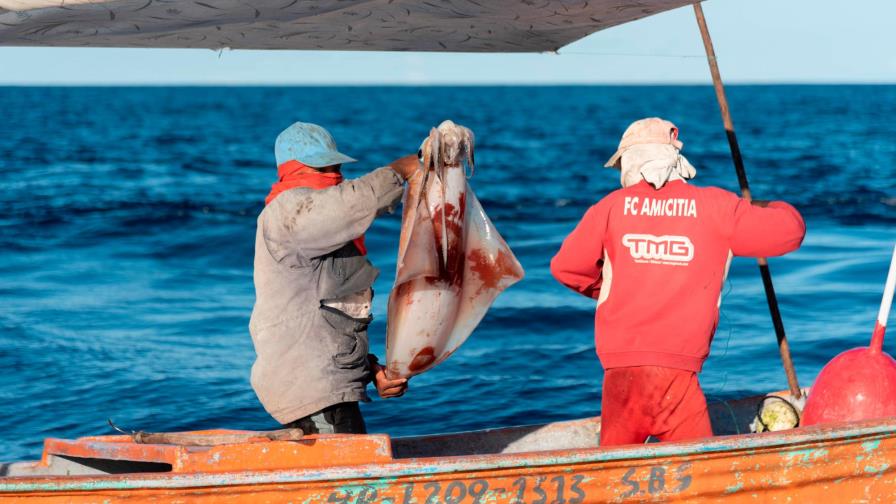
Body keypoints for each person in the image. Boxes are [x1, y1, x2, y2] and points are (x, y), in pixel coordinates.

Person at [550, 117, 806, 446]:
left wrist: (619, 291)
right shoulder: (717, 207)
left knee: (614, 467)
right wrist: (767, 205)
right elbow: (790, 232)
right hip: (678, 378)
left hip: (620, 374)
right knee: (699, 470)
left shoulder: (608, 208)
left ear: (630, 163)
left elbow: (567, 268)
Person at [249, 121, 418, 434]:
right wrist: (400, 170)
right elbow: (352, 203)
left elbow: (325, 320)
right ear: (293, 170)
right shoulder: (289, 211)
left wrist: (371, 370)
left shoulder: (321, 232)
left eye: (336, 166)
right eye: (322, 167)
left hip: (324, 389)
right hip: (311, 391)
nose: (333, 175)